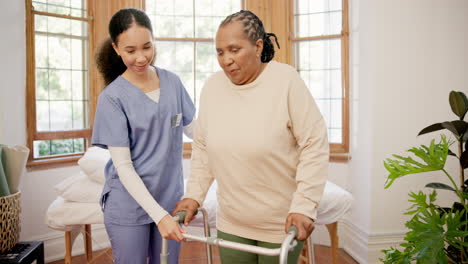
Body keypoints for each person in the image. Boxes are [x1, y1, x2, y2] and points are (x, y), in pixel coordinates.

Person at [173, 10, 329, 264]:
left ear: (258, 46)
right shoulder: (212, 87)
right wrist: (194, 195)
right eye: (220, 52)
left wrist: (304, 206)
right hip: (232, 222)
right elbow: (203, 147)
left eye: (234, 50)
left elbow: (314, 144)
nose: (226, 60)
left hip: (280, 224)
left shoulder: (285, 80)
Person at [92, 8, 195, 264]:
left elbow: (198, 133)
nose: (141, 57)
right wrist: (159, 217)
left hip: (169, 200)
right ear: (116, 48)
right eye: (130, 51)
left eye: (147, 47)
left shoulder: (172, 83)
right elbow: (124, 167)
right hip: (129, 204)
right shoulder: (112, 98)